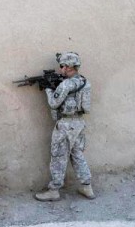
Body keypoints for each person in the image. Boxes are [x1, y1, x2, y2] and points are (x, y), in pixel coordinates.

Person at [34, 52, 94, 201]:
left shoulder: (66, 84)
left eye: (62, 66)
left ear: (68, 67)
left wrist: (48, 89)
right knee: (77, 154)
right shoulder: (84, 81)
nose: (60, 69)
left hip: (66, 125)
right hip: (79, 122)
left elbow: (54, 103)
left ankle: (54, 190)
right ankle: (87, 186)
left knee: (58, 156)